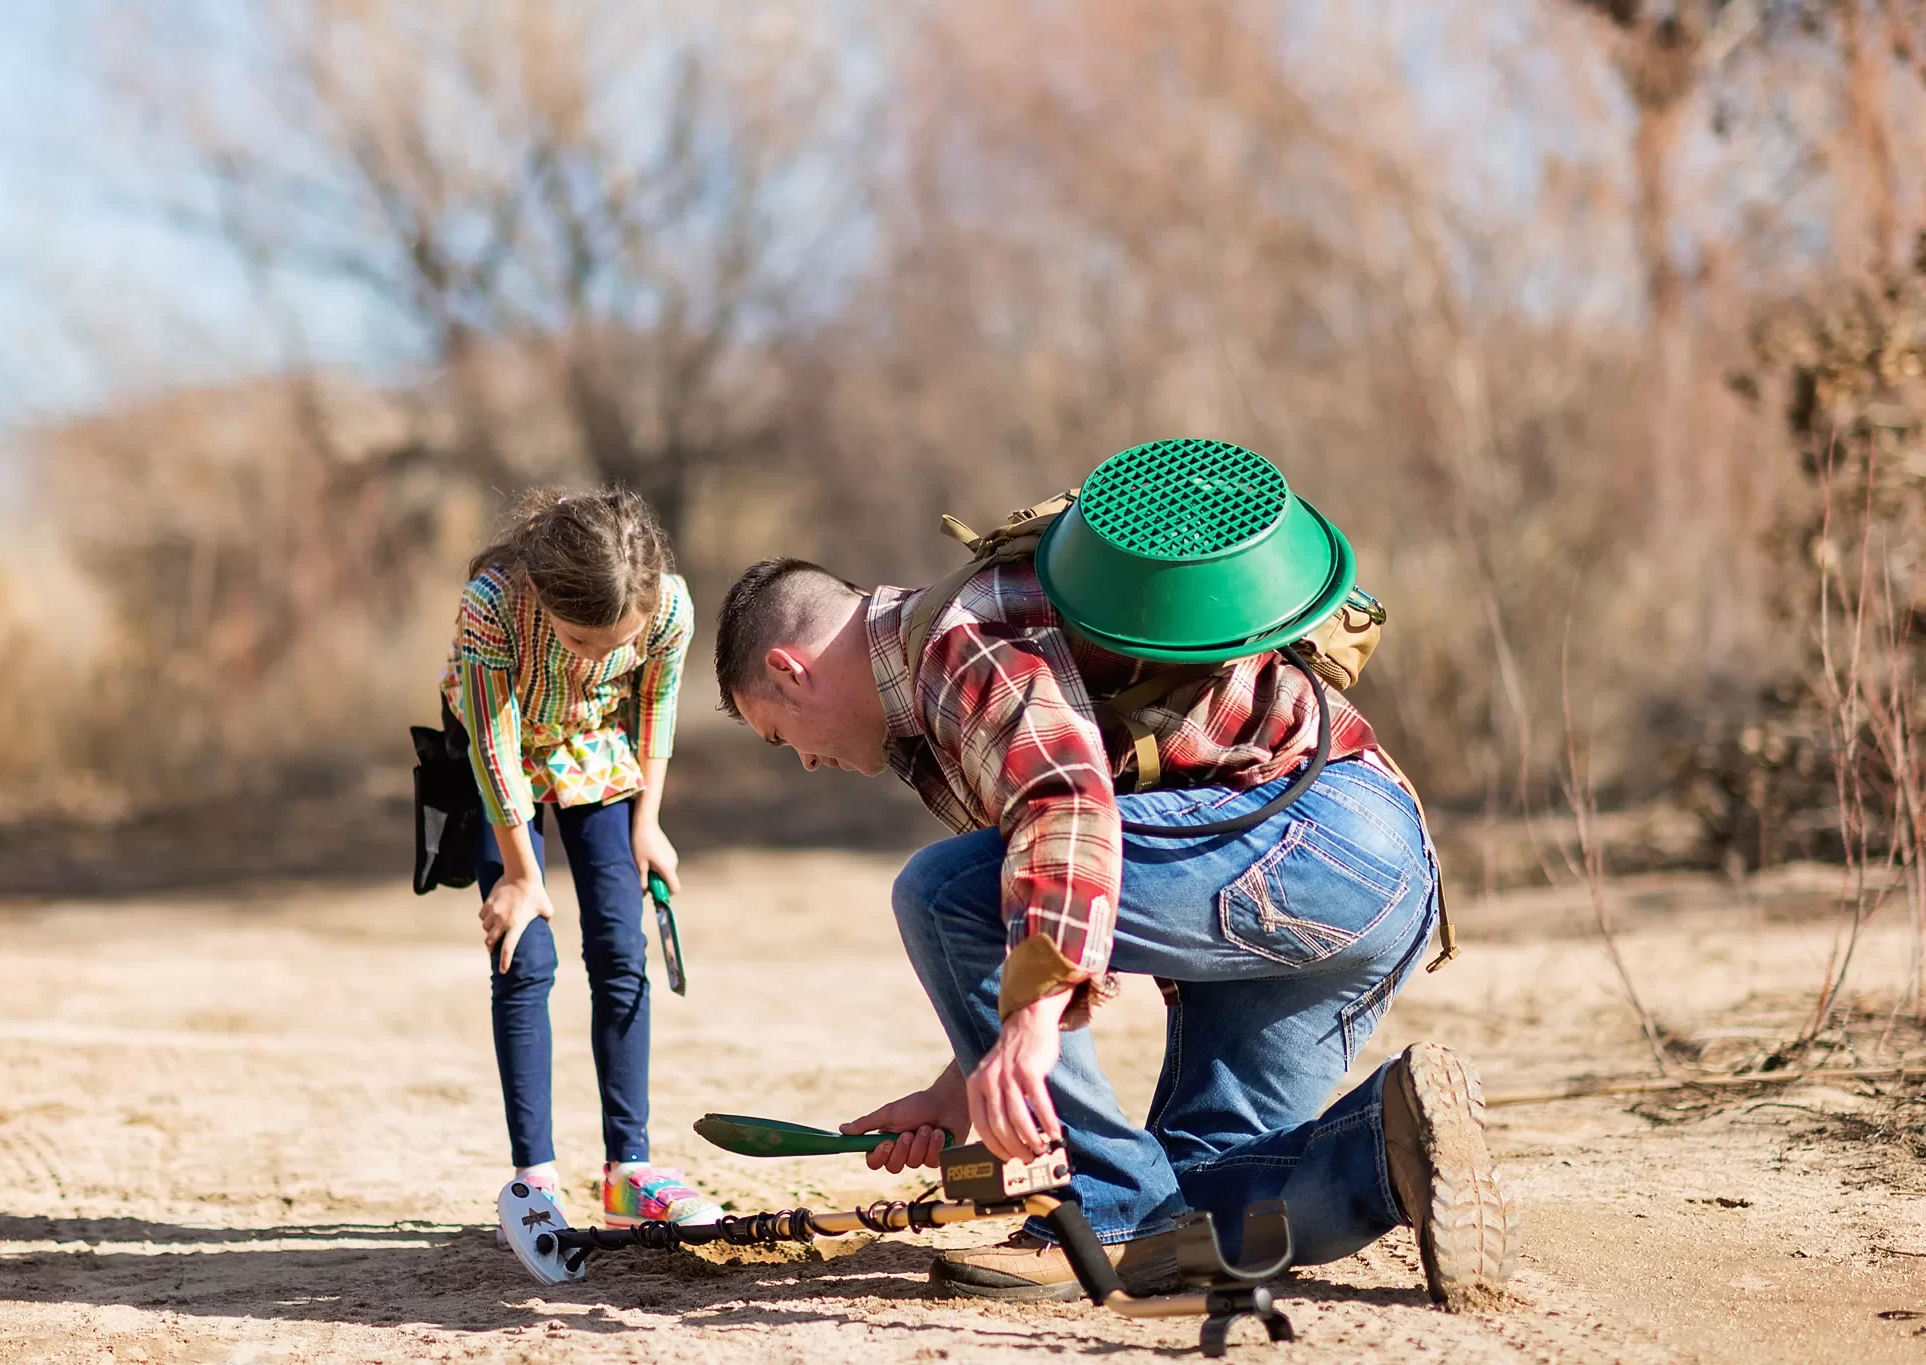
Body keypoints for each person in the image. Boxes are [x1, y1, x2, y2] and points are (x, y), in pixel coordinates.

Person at [709, 458, 1518, 1308]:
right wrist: (958, 1092)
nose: (805, 760)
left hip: (1313, 837)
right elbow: (1056, 911)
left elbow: (1065, 810)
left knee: (944, 891)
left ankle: (1099, 1208)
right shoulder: (940, 690)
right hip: (1373, 876)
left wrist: (1021, 1026)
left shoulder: (957, 638)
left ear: (791, 669)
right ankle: (1394, 1143)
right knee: (1187, 1203)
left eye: (779, 735)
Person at [443, 485, 721, 1229]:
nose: (602, 658)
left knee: (620, 949)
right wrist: (521, 874)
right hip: (501, 759)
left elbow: (655, 702)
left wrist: (648, 823)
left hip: (595, 751)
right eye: (581, 644)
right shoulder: (494, 605)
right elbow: (493, 742)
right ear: (541, 594)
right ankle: (532, 1180)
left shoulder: (667, 607)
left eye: (615, 647)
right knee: (524, 957)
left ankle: (629, 1168)